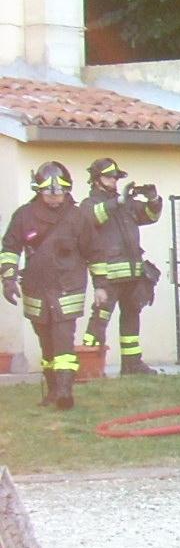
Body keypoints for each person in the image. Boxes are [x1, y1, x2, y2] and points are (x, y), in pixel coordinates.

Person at [1, 161, 92, 409]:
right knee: (46, 342)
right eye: (49, 193)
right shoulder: (24, 215)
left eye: (59, 192)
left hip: (67, 288)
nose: (54, 197)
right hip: (37, 289)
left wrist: (102, 285)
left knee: (63, 339)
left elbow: (94, 251)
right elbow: (10, 248)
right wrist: (8, 278)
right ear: (39, 191)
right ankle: (53, 390)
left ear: (66, 190)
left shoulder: (77, 216)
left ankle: (65, 392)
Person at [80, 157, 163, 373]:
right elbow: (93, 218)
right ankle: (89, 367)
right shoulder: (89, 204)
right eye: (109, 177)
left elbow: (151, 216)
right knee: (100, 320)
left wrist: (153, 199)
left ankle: (132, 364)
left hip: (132, 274)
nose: (114, 181)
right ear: (96, 180)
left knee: (131, 317)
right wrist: (118, 202)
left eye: (116, 177)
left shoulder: (126, 204)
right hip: (108, 276)